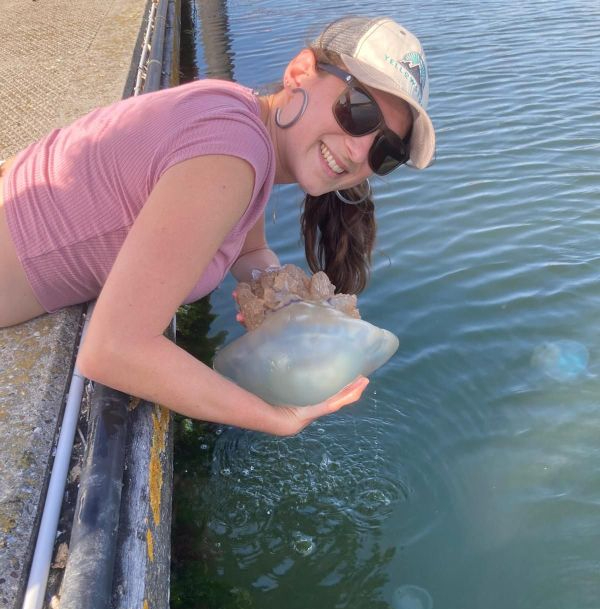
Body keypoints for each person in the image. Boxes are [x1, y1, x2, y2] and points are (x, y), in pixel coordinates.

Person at [0, 16, 435, 436]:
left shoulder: (240, 119)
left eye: (386, 150)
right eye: (358, 111)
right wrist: (280, 418)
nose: (361, 153)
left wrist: (287, 305)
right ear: (300, 72)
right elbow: (113, 350)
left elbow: (248, 253)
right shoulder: (230, 156)